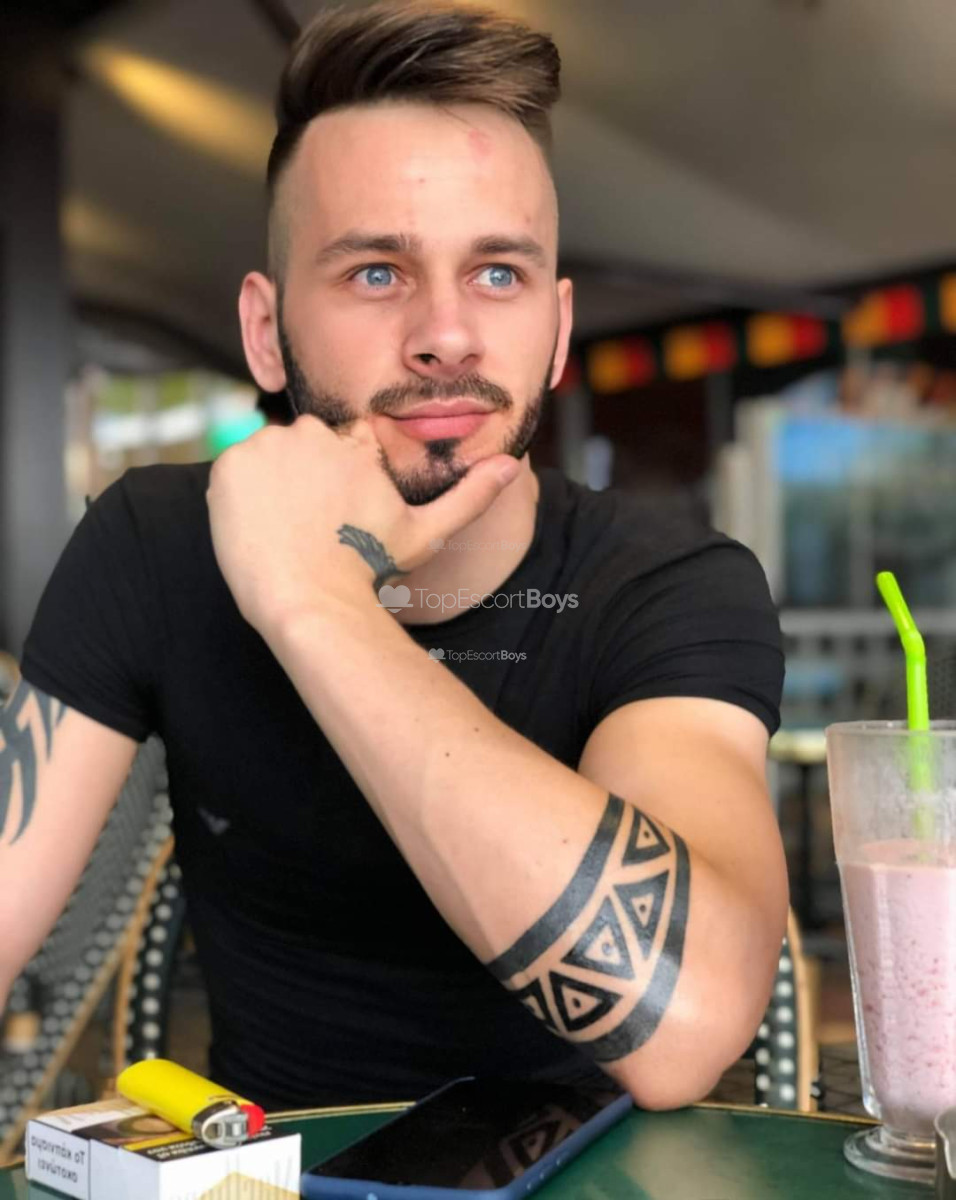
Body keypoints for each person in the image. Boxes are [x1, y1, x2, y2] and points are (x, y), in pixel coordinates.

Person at [0, 2, 787, 1111]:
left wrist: (316, 603)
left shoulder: (662, 581)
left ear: (557, 331)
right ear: (266, 332)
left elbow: (684, 1027)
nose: (446, 334)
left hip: (595, 1178)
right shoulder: (157, 543)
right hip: (265, 1172)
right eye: (376, 272)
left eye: (497, 273)